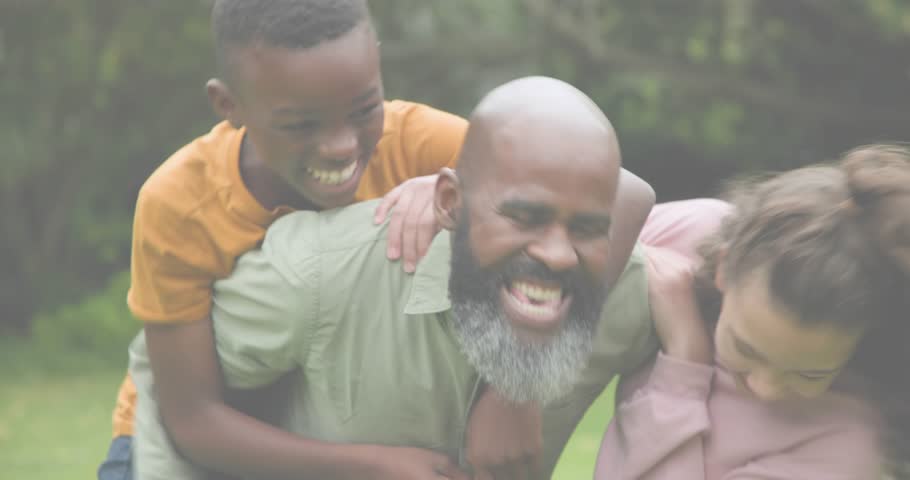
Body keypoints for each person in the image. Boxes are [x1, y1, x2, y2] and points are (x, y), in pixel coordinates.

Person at [127, 76, 728, 480]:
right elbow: (173, 398)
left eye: (588, 227)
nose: (559, 255)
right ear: (448, 201)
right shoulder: (313, 274)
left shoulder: (630, 295)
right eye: (525, 217)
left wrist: (686, 353)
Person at [97, 1, 550, 479]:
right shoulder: (179, 203)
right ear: (229, 106)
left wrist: (515, 385)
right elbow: (193, 419)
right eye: (300, 124)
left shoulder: (422, 145)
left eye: (363, 110)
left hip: (346, 415)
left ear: (376, 65)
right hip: (211, 438)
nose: (341, 146)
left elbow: (589, 204)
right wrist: (373, 467)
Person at [595, 145, 910, 479]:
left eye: (810, 374)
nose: (765, 387)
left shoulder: (845, 444)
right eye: (744, 348)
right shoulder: (690, 232)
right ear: (723, 265)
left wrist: (685, 359)